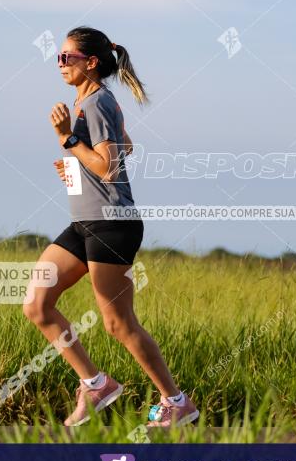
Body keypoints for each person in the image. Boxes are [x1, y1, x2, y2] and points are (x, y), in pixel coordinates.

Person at [22, 26, 198, 427]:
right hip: (84, 222)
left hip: (112, 224)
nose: (60, 63)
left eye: (67, 57)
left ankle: (176, 401)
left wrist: (68, 140)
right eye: (59, 56)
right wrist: (72, 169)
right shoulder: (85, 101)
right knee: (37, 303)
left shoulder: (98, 101)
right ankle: (96, 383)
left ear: (91, 63)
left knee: (118, 324)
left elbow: (111, 166)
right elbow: (124, 147)